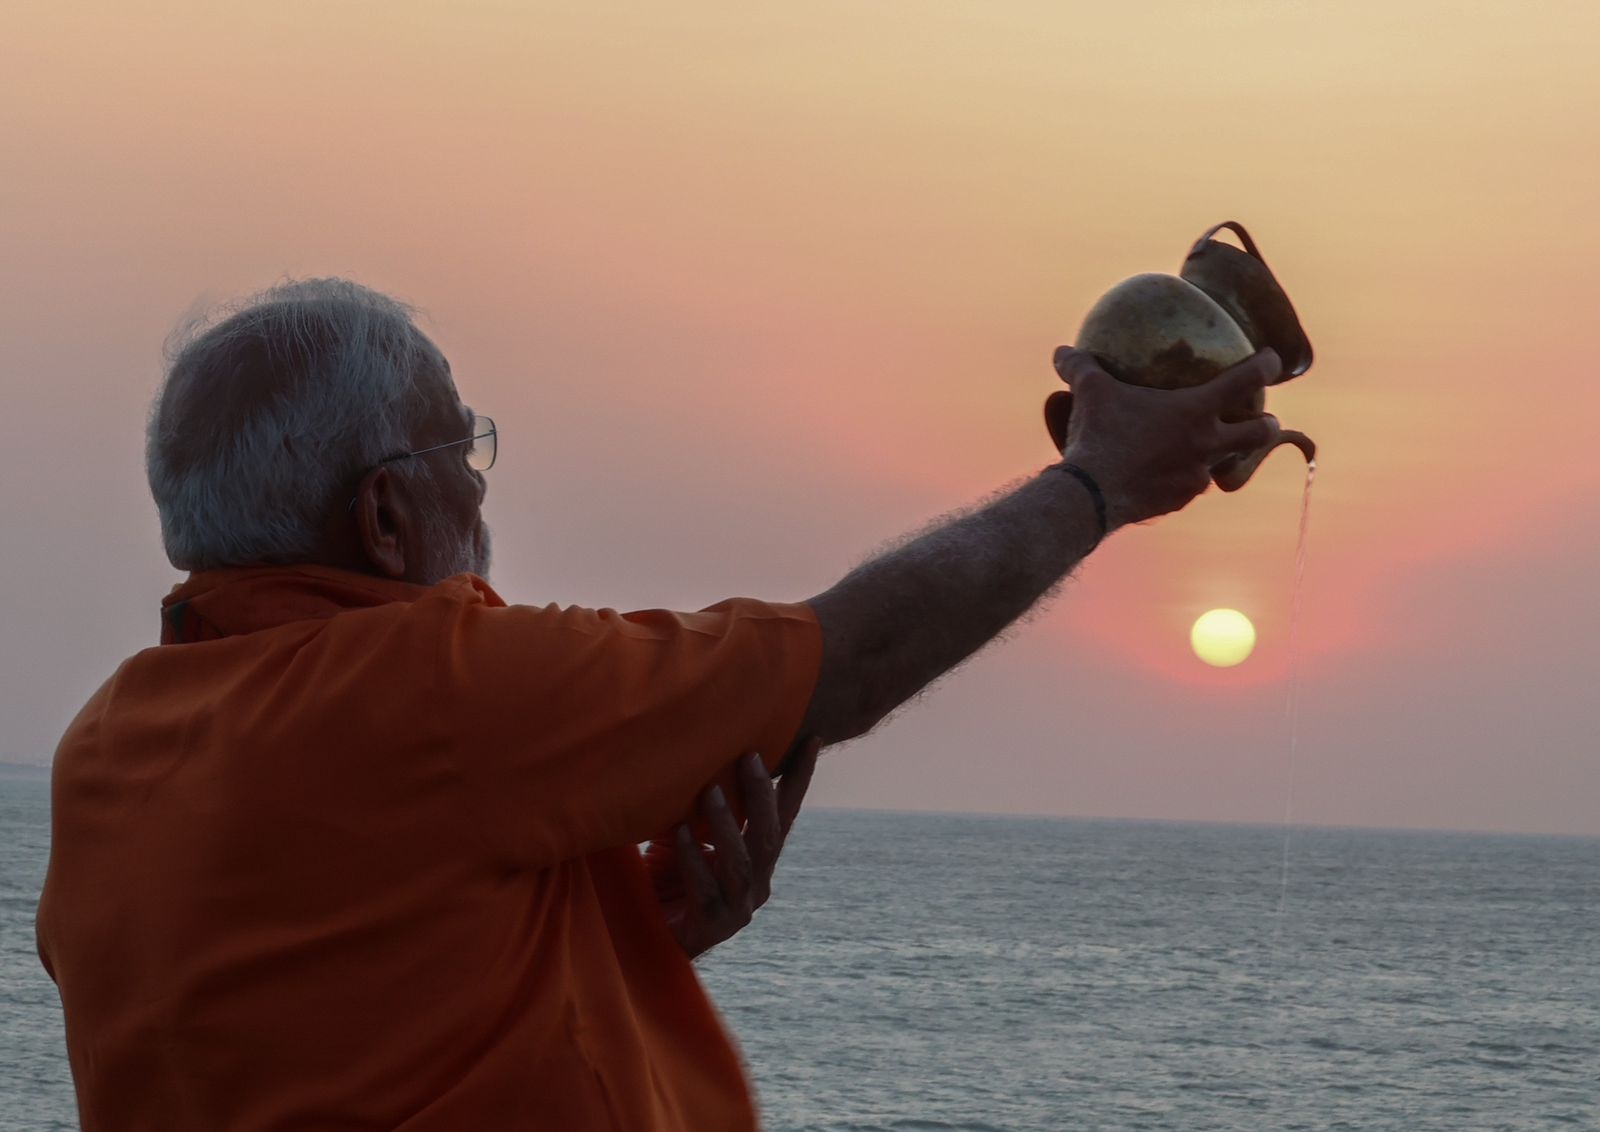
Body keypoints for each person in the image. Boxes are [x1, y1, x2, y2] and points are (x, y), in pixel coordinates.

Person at [36, 278, 1284, 1131]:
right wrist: (1099, 485)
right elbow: (840, 660)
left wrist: (619, 926)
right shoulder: (433, 686)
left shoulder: (109, 746)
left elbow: (314, 1019)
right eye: (458, 452)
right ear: (382, 515)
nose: (480, 495)